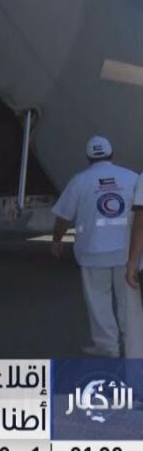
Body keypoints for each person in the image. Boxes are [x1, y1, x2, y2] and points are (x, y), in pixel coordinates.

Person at [52, 136, 143, 358]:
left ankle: (107, 346)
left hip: (93, 253)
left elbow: (63, 216)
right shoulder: (132, 177)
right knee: (128, 302)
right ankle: (132, 343)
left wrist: (57, 239)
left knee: (98, 300)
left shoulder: (79, 181)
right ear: (112, 154)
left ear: (88, 158)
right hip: (125, 252)